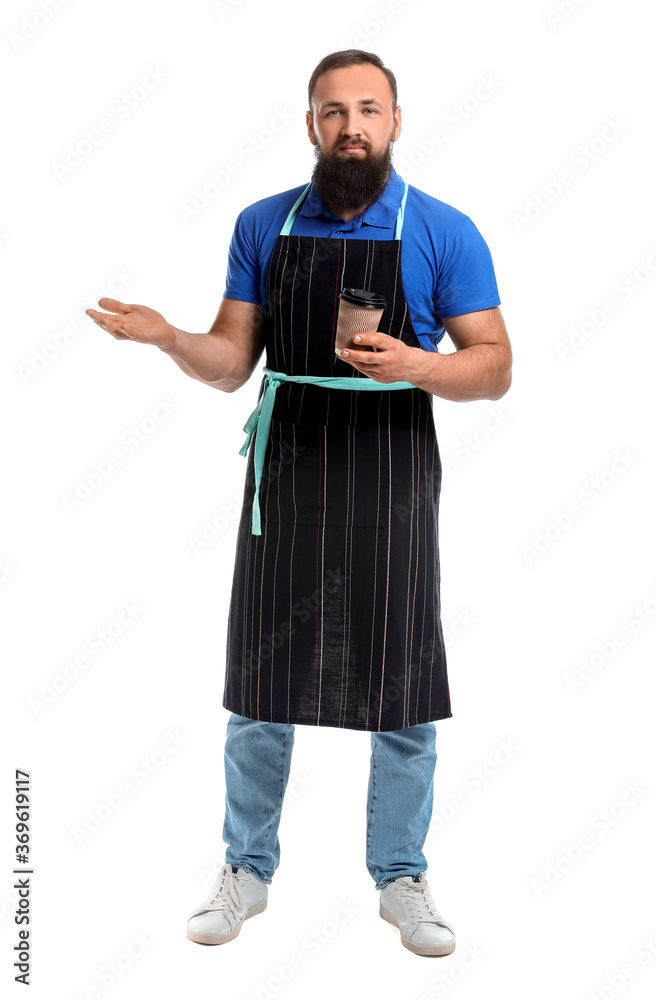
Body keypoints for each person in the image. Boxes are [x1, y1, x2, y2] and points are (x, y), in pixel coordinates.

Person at [86, 49, 512, 958]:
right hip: (286, 476)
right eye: (332, 111)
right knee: (261, 685)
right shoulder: (263, 224)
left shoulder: (445, 230)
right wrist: (169, 339)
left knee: (401, 684)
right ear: (310, 124)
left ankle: (401, 874)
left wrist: (420, 366)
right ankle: (247, 869)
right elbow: (233, 363)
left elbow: (496, 367)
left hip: (392, 473)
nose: (350, 125)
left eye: (368, 108)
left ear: (396, 121)